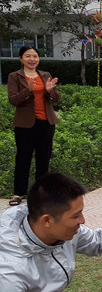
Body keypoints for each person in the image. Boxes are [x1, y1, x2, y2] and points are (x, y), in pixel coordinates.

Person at [7, 46, 61, 207]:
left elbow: (57, 98)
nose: (32, 59)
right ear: (21, 59)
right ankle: (18, 193)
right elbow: (13, 100)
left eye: (35, 56)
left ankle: (41, 193)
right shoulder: (14, 76)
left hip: (46, 122)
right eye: (28, 56)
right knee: (23, 158)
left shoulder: (45, 75)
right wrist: (28, 90)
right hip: (25, 124)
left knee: (43, 158)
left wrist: (50, 91)